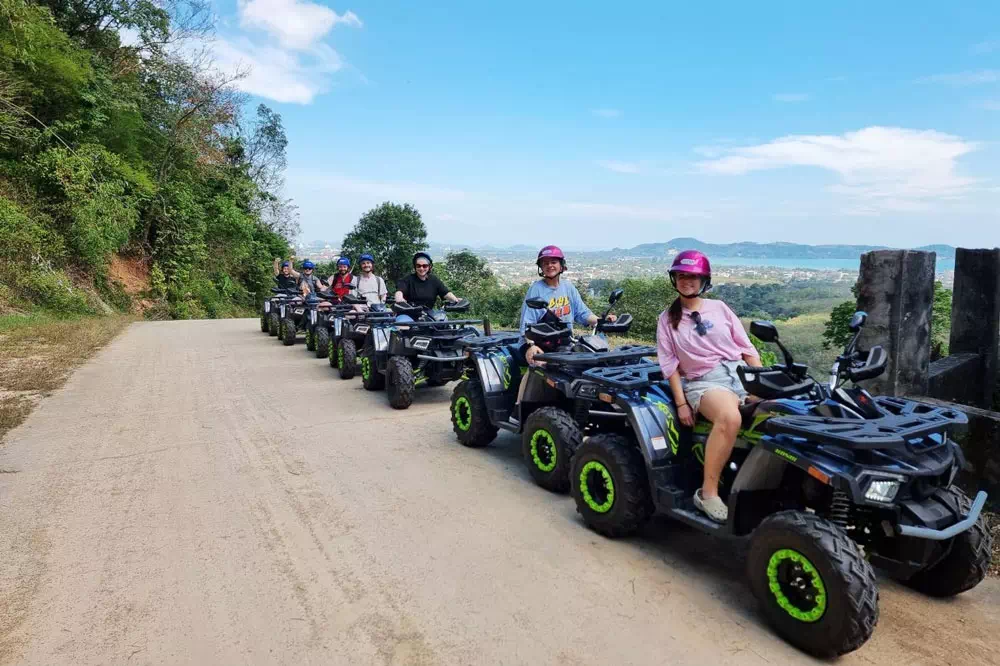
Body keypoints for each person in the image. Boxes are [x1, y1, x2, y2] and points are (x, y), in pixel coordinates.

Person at [656, 250, 762, 523]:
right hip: (704, 381)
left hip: (740, 373)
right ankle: (708, 493)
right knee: (729, 417)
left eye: (693, 276)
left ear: (704, 280)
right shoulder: (667, 319)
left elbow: (747, 349)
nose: (686, 280)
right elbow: (670, 365)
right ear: (674, 279)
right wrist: (681, 403)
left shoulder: (720, 308)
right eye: (681, 275)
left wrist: (760, 385)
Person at [520, 245, 616, 367]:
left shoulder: (568, 287)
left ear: (561, 265)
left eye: (553, 262)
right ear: (541, 267)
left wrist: (601, 321)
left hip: (563, 343)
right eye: (545, 263)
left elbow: (582, 313)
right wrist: (531, 345)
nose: (550, 265)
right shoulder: (536, 290)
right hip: (536, 342)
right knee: (541, 367)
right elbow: (527, 324)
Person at [393, 252, 462, 320]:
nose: (421, 268)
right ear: (415, 266)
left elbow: (445, 293)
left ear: (429, 267)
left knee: (443, 322)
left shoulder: (434, 280)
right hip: (408, 314)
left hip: (428, 315)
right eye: (418, 266)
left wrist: (456, 300)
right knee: (403, 324)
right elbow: (400, 291)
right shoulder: (408, 279)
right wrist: (399, 299)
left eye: (424, 266)